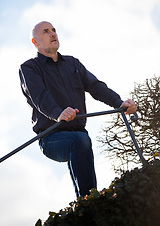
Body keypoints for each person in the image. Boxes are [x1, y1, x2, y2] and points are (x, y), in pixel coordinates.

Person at [19, 21, 137, 198]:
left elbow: (95, 86)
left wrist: (119, 103)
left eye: (54, 30)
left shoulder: (73, 63)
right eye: (46, 31)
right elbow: (39, 96)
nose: (53, 34)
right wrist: (58, 113)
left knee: (81, 139)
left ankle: (89, 200)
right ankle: (88, 203)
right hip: (50, 137)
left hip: (79, 133)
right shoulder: (29, 68)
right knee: (80, 140)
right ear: (35, 42)